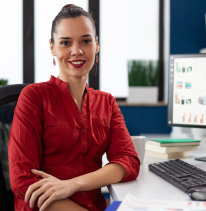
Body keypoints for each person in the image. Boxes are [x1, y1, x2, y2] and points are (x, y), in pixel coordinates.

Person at [8, 4, 140, 211]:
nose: (76, 51)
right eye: (65, 42)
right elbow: (23, 181)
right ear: (52, 47)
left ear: (97, 45)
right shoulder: (34, 97)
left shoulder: (107, 102)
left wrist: (70, 185)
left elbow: (129, 162)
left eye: (86, 41)